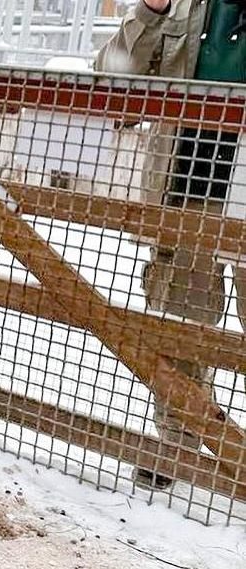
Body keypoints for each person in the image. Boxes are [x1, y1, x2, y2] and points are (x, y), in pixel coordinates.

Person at [94, 0, 245, 490]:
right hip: (185, 192)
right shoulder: (180, 6)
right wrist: (151, 11)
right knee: (180, 324)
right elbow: (113, 77)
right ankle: (180, 444)